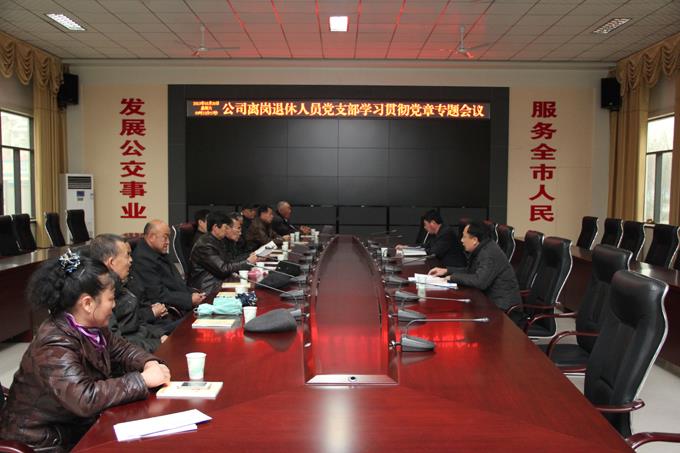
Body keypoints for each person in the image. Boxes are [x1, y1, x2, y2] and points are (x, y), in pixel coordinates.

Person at [0, 252, 171, 451]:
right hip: (43, 443)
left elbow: (121, 349)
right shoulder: (53, 344)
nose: (114, 305)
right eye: (111, 299)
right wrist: (141, 380)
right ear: (88, 303)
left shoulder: (91, 326)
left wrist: (148, 363)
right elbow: (84, 398)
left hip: (74, 426)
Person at [89, 234, 167, 351]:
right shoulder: (99, 295)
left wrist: (160, 336)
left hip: (142, 347)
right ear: (111, 262)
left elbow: (138, 326)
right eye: (127, 255)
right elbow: (116, 344)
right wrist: (157, 343)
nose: (131, 260)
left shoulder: (121, 284)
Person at [428, 221, 520, 310]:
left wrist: (452, 277)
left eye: (464, 237)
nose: (461, 240)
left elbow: (480, 282)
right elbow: (471, 271)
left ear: (475, 240)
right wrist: (447, 271)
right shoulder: (483, 248)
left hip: (501, 308)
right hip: (489, 301)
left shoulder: (488, 254)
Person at [132, 220, 206, 316]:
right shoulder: (142, 259)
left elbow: (176, 283)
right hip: (166, 311)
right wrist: (189, 299)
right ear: (151, 237)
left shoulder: (158, 252)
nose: (168, 242)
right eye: (165, 237)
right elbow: (158, 295)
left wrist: (193, 294)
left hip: (179, 303)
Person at [190, 212, 257, 294]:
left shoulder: (217, 240)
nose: (226, 231)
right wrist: (247, 262)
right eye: (225, 227)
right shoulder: (205, 245)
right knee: (250, 288)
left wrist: (247, 260)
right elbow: (223, 269)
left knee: (253, 284)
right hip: (208, 286)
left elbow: (229, 261)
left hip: (219, 280)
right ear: (215, 227)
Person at [397, 210, 466, 267]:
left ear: (433, 223)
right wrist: (407, 247)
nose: (424, 227)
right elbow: (425, 246)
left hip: (453, 268)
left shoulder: (446, 233)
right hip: (441, 265)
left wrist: (411, 251)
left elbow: (433, 252)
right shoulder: (437, 232)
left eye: (425, 224)